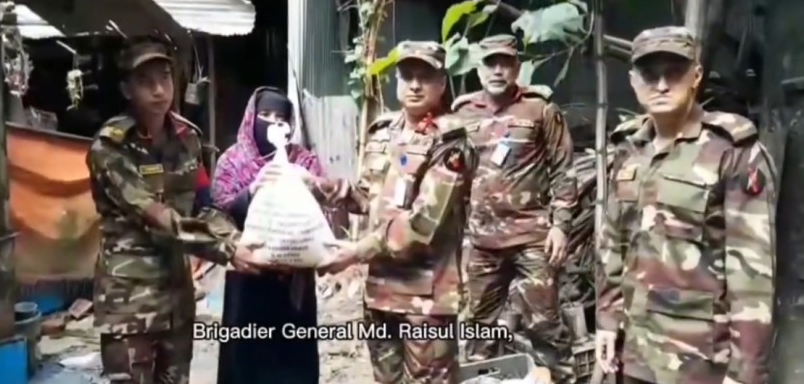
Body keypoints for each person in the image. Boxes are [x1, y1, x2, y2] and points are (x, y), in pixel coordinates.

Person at [596, 26, 776, 384]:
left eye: (674, 72)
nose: (661, 85)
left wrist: (746, 372)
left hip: (702, 362)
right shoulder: (629, 148)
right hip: (636, 354)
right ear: (633, 81)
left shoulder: (732, 149)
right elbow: (613, 242)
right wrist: (607, 321)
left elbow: (752, 271)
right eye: (650, 74)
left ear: (696, 76)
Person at [86, 39, 259, 384]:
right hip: (130, 301)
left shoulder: (187, 138)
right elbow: (157, 217)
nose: (158, 89)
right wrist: (227, 250)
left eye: (164, 77)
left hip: (177, 298)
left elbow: (204, 205)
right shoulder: (110, 147)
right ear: (126, 88)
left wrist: (241, 240)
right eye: (145, 80)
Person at [303, 41, 477, 383]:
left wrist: (355, 252)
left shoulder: (452, 144)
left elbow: (421, 224)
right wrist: (323, 189)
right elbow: (369, 198)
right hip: (381, 293)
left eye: (424, 77)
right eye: (407, 76)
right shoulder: (383, 132)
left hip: (426, 299)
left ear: (441, 84)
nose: (414, 85)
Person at [451, 34, 577, 383]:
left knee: (545, 324)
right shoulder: (462, 113)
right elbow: (452, 177)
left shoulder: (539, 108)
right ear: (478, 70)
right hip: (480, 243)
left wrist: (561, 225)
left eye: (505, 63)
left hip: (532, 239)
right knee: (477, 329)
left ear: (516, 68)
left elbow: (563, 170)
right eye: (490, 63)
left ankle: (561, 379)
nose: (497, 70)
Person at [210, 86, 326, 384]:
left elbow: (318, 208)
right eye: (265, 115)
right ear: (251, 117)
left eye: (280, 118)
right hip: (247, 279)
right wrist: (252, 191)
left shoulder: (304, 162)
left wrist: (305, 184)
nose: (273, 123)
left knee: (294, 363)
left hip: (293, 284)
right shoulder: (232, 161)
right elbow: (219, 213)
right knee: (245, 362)